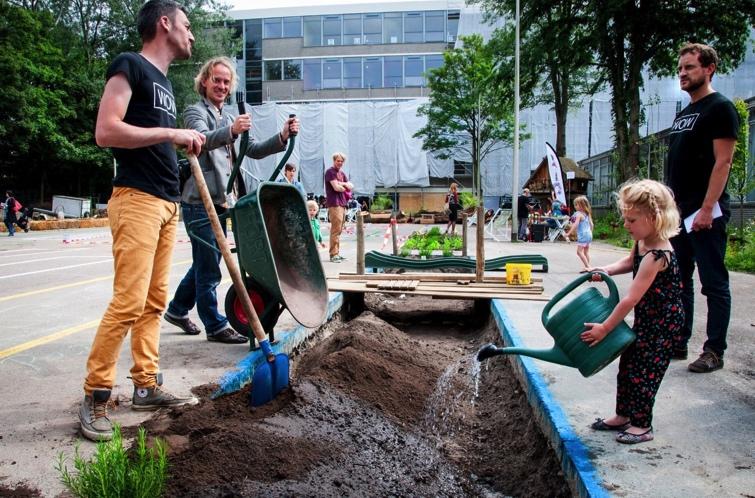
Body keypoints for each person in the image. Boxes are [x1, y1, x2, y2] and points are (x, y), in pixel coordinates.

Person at [79, 0, 208, 442]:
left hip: (167, 203)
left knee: (154, 303)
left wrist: (181, 144)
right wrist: (171, 134)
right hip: (135, 200)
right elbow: (106, 131)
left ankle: (145, 385)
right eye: (187, 26)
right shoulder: (130, 65)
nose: (192, 35)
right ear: (165, 23)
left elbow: (152, 137)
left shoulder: (167, 85)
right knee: (129, 302)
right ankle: (96, 394)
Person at [164, 56, 298, 345]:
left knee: (206, 259)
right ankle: (214, 324)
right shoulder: (194, 111)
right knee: (210, 262)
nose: (222, 86)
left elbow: (253, 149)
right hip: (198, 200)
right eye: (217, 80)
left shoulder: (226, 117)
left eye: (226, 82)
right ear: (204, 82)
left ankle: (176, 309)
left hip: (223, 200)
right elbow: (200, 138)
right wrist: (232, 131)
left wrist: (282, 136)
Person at [582, 179, 683, 445]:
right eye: (625, 218)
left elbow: (629, 299)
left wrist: (605, 328)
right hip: (648, 319)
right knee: (627, 366)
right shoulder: (642, 244)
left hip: (663, 324)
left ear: (655, 218)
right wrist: (605, 270)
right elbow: (628, 263)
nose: (626, 225)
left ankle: (642, 425)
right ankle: (623, 415)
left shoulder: (657, 256)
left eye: (632, 220)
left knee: (644, 371)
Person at [665, 43, 739, 373]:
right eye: (680, 68)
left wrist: (708, 209)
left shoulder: (719, 108)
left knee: (713, 283)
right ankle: (679, 341)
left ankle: (714, 350)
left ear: (708, 69)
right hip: (678, 214)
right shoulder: (684, 115)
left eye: (690, 67)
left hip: (704, 213)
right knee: (680, 280)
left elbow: (723, 162)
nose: (683, 73)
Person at [324, 152, 353, 263]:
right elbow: (337, 188)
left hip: (342, 203)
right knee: (336, 229)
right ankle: (333, 254)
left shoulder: (342, 173)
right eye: (338, 160)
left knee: (339, 229)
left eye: (341, 161)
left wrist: (343, 185)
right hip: (334, 203)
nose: (340, 163)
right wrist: (344, 185)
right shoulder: (330, 172)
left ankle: (337, 253)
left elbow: (351, 186)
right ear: (334, 160)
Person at [566, 195, 593, 270]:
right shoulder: (587, 214)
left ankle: (588, 267)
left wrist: (568, 233)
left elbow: (575, 225)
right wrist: (590, 233)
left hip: (583, 235)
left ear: (582, 205)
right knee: (586, 252)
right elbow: (592, 224)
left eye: (576, 204)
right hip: (589, 234)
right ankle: (586, 267)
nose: (575, 206)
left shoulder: (579, 214)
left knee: (579, 252)